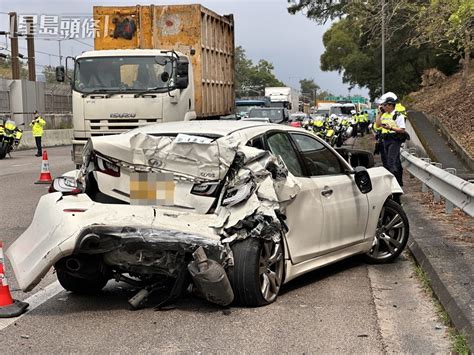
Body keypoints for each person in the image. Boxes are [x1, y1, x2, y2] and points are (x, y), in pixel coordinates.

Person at [375, 94, 406, 187]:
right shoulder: (384, 115)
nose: (383, 107)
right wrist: (380, 114)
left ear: (390, 105)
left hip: (394, 139)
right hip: (385, 139)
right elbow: (377, 125)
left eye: (385, 105)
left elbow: (402, 129)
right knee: (388, 161)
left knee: (391, 161)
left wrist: (391, 128)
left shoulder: (398, 115)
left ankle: (395, 184)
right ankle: (395, 182)